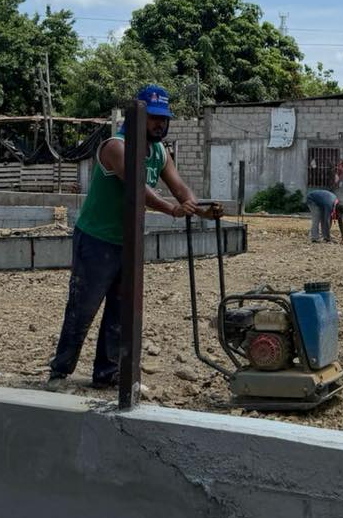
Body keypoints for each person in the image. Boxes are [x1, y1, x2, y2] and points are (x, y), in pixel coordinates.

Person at [49, 84, 220, 387]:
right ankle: (60, 371)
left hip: (128, 242)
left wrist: (197, 206)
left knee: (121, 310)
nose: (160, 124)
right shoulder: (116, 147)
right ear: (137, 118)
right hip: (97, 239)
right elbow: (139, 189)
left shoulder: (159, 151)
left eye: (163, 119)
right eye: (154, 118)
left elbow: (180, 188)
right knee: (83, 307)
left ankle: (107, 373)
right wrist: (171, 209)